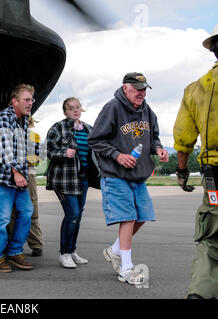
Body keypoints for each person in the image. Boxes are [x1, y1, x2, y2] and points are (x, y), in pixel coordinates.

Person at [88, 72, 169, 284]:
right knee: (128, 217)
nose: (142, 93)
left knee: (143, 215)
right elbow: (95, 139)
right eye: (138, 89)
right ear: (126, 88)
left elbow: (154, 137)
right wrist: (118, 155)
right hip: (115, 174)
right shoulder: (112, 108)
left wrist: (159, 148)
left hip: (138, 175)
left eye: (144, 89)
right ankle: (126, 268)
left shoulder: (147, 111)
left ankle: (114, 250)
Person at [173, 25, 218, 299]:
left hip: (214, 176)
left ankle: (199, 294)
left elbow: (182, 140)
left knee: (212, 240)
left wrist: (181, 173)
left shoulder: (195, 89)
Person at [0, 84, 35, 273]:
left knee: (26, 212)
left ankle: (14, 251)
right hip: (1, 176)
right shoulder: (4, 117)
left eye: (31, 100)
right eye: (26, 99)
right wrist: (17, 173)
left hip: (17, 174)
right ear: (15, 101)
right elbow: (4, 149)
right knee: (2, 218)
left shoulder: (23, 120)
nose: (30, 103)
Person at [46, 97, 96, 268]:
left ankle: (72, 250)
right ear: (65, 111)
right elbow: (50, 149)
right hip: (64, 179)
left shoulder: (89, 129)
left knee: (78, 216)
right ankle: (64, 253)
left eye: (78, 107)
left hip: (83, 179)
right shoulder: (58, 127)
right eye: (71, 108)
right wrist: (63, 152)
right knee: (73, 213)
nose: (75, 110)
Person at [7, 116, 44, 257]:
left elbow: (36, 157)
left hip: (28, 173)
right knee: (12, 211)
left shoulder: (33, 136)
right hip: (12, 173)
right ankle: (12, 243)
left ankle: (36, 244)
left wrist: (22, 159)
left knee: (32, 210)